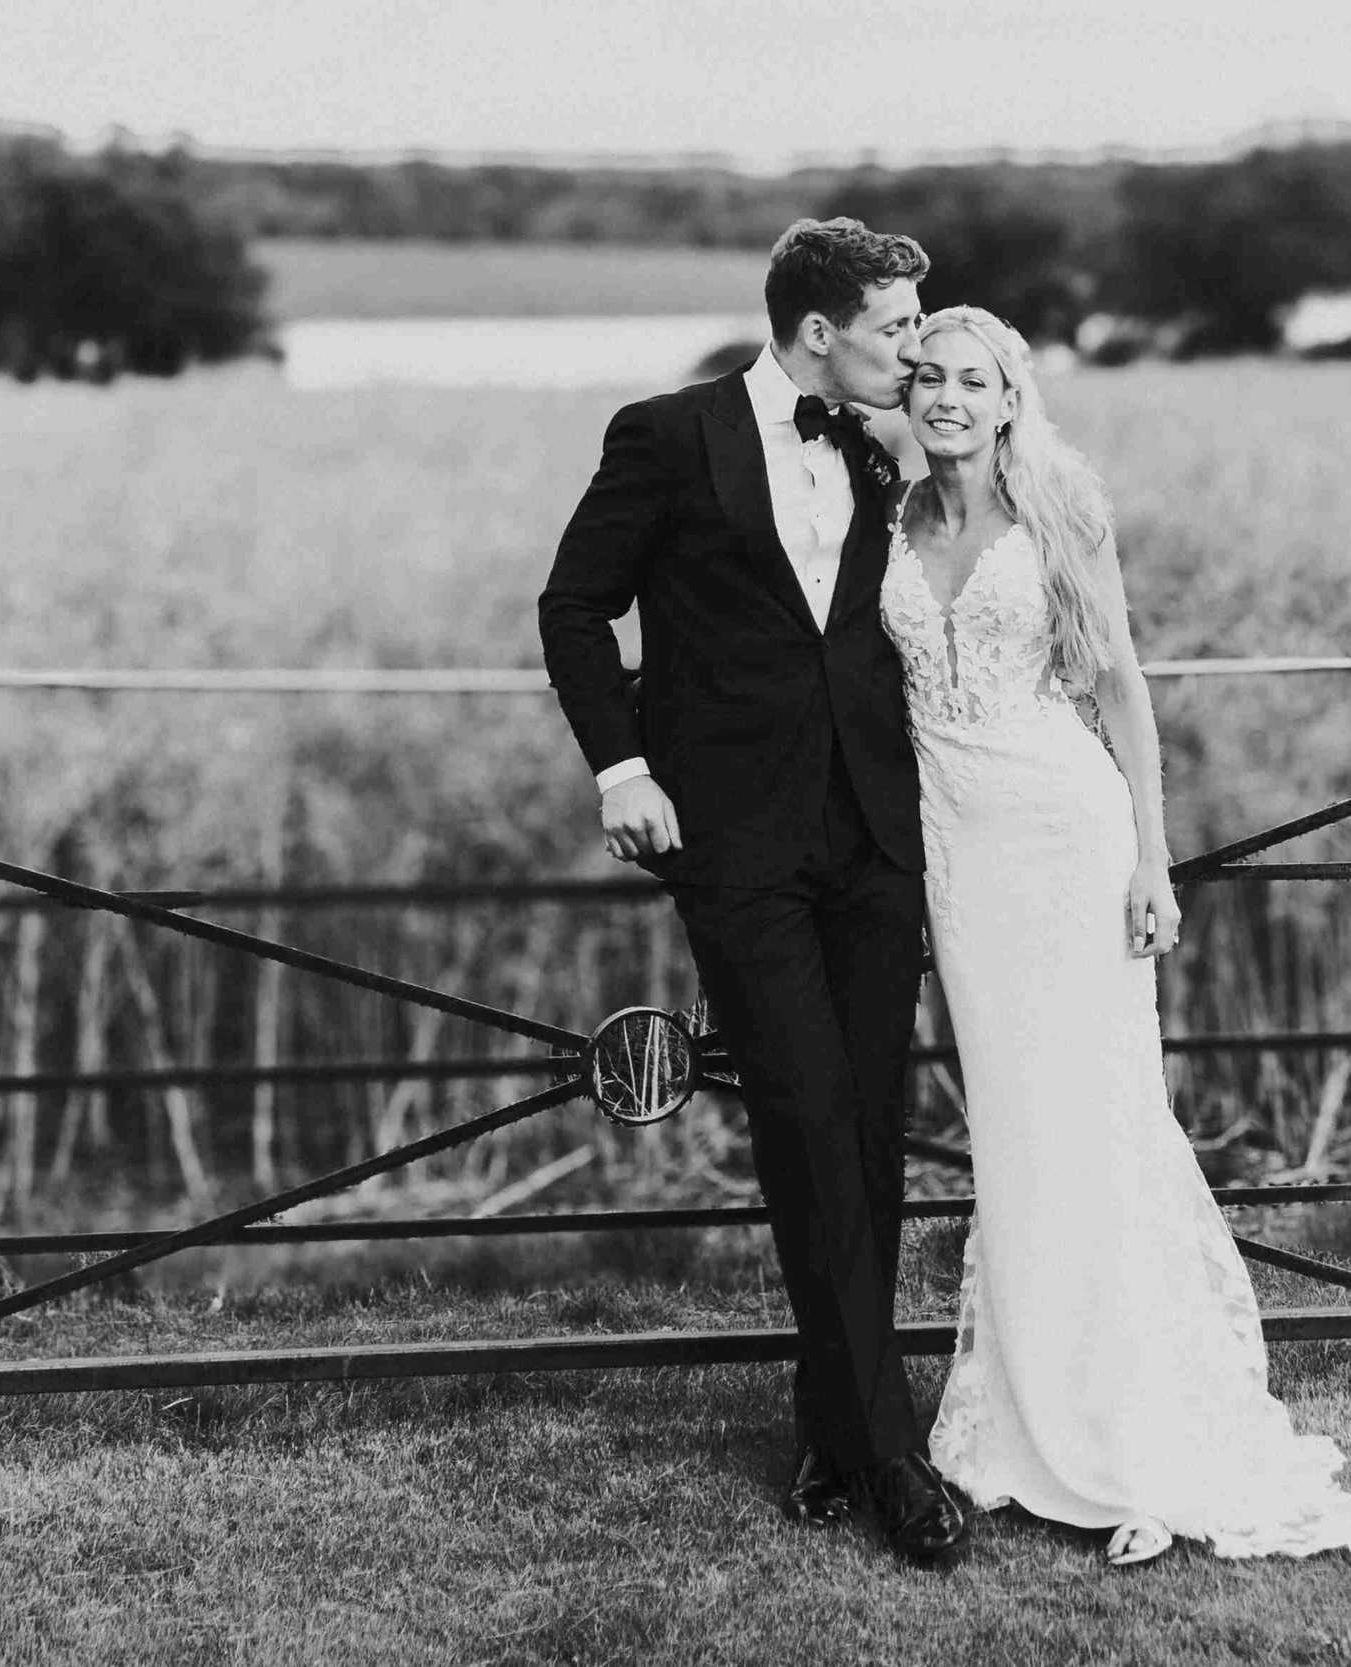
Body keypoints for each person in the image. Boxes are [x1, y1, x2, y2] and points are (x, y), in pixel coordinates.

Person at [883, 306, 1351, 1567]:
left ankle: (1132, 1436)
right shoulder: (885, 521)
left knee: (1097, 1114)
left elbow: (1118, 682)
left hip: (1066, 833)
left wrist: (1151, 858)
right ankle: (1022, 1420)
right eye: (928, 377)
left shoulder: (1059, 506)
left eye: (973, 380)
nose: (948, 397)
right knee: (1009, 1124)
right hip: (958, 854)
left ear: (1009, 399)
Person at [537, 218, 968, 1569]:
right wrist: (621, 766)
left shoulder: (900, 449)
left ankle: (830, 1421)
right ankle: (892, 1455)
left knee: (873, 1121)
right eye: (900, 325)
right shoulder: (670, 437)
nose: (919, 346)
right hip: (734, 840)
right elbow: (572, 606)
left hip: (877, 834)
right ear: (821, 329)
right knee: (801, 1111)